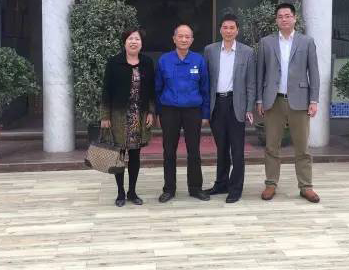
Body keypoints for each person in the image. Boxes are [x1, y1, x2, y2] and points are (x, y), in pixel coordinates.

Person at [256, 3, 321, 203]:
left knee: (302, 147)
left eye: (287, 16)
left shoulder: (306, 42)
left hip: (300, 101)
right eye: (280, 16)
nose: (284, 19)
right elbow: (260, 73)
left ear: (294, 18)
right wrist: (259, 99)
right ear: (276, 20)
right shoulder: (266, 42)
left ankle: (306, 186)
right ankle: (270, 184)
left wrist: (314, 100)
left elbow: (314, 72)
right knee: (271, 146)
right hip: (273, 101)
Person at [202, 13, 255, 203]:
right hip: (217, 104)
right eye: (225, 27)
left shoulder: (247, 52)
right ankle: (221, 183)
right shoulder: (210, 50)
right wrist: (205, 108)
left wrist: (249, 108)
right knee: (221, 147)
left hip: (236, 104)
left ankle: (235, 188)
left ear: (237, 30)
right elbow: (205, 81)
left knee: (237, 149)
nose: (228, 31)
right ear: (220, 30)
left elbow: (251, 83)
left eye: (232, 28)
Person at [155, 23, 211, 202]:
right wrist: (158, 112)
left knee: (194, 151)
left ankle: (195, 188)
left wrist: (205, 114)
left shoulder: (198, 60)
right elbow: (157, 88)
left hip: (193, 111)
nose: (184, 39)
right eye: (180, 36)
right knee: (168, 151)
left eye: (187, 36)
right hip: (169, 111)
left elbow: (205, 89)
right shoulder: (164, 60)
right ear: (174, 39)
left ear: (192, 40)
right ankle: (169, 189)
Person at [100, 29, 155, 207]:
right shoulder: (114, 62)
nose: (133, 42)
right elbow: (106, 91)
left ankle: (132, 191)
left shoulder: (147, 63)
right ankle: (120, 193)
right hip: (118, 115)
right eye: (130, 38)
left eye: (137, 39)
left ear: (141, 43)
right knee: (119, 155)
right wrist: (105, 116)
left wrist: (151, 112)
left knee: (135, 154)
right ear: (124, 42)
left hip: (139, 115)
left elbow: (152, 90)